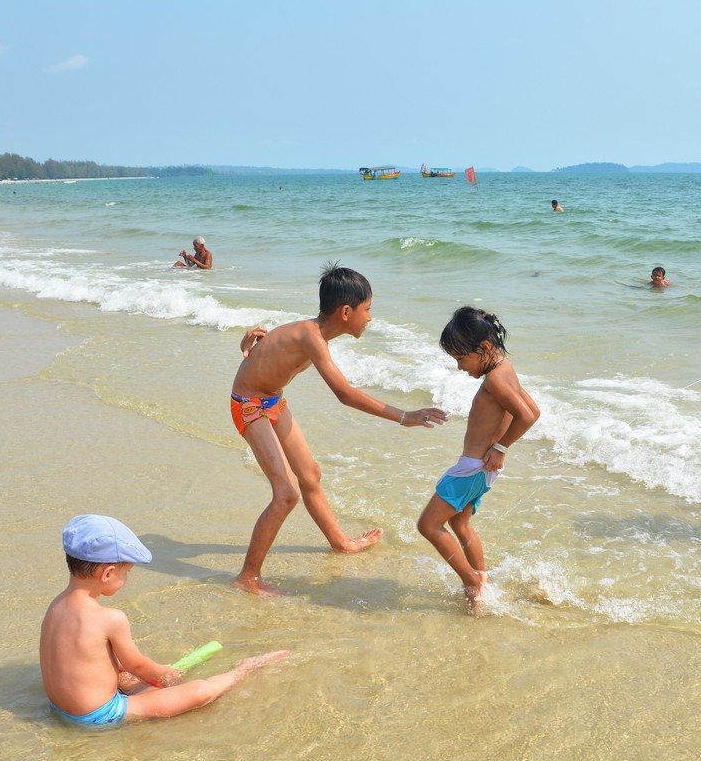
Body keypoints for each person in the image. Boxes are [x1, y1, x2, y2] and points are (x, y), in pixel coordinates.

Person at [230, 263, 448, 596]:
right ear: (346, 312)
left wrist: (254, 338)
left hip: (272, 401)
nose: (370, 317)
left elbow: (269, 345)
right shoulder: (312, 337)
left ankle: (341, 543)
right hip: (248, 404)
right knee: (287, 493)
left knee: (311, 475)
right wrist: (405, 416)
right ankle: (248, 576)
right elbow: (344, 394)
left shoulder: (312, 334)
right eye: (367, 310)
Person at [40, 514, 289, 726]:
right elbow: (137, 665)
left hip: (62, 709)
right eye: (126, 572)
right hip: (101, 714)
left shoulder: (56, 606)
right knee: (198, 692)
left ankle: (141, 687)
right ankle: (243, 669)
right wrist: (165, 674)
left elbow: (85, 654)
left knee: (127, 677)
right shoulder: (109, 618)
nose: (126, 579)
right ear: (107, 573)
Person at [416, 307, 540, 613]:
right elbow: (534, 412)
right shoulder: (505, 369)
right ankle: (482, 579)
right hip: (482, 471)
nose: (459, 367)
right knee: (460, 523)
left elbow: (526, 417)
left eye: (461, 358)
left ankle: (471, 581)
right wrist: (498, 449)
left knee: (428, 525)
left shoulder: (495, 381)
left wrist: (500, 447)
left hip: (471, 469)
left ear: (484, 348)